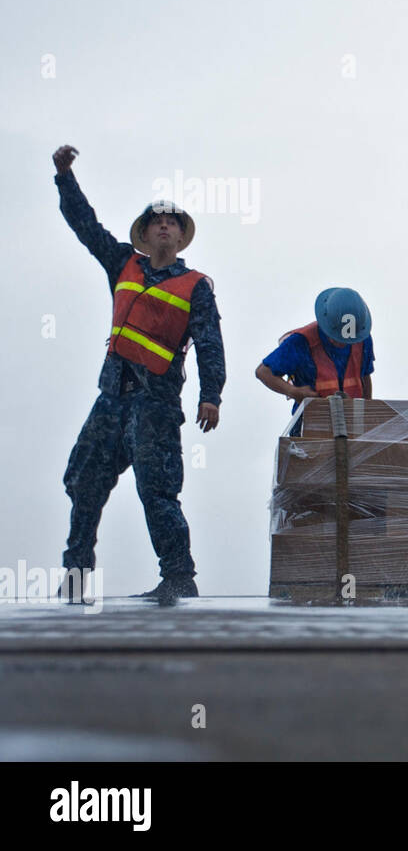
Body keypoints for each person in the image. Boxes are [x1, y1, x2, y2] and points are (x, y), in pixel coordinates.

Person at [53, 145, 226, 604]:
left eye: (171, 220)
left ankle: (178, 578)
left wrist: (212, 395)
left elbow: (210, 343)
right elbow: (85, 226)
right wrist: (64, 176)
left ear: (180, 234)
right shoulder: (122, 264)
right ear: (145, 234)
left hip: (156, 404)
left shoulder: (195, 288)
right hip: (111, 398)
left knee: (158, 490)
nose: (164, 224)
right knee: (83, 484)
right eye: (156, 220)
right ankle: (73, 581)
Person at [255, 288, 375, 418]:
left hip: (352, 421)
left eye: (348, 340)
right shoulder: (301, 342)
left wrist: (367, 415)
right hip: (310, 423)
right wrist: (293, 391)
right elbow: (263, 372)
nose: (342, 344)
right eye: (337, 338)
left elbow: (365, 377)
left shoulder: (362, 339)